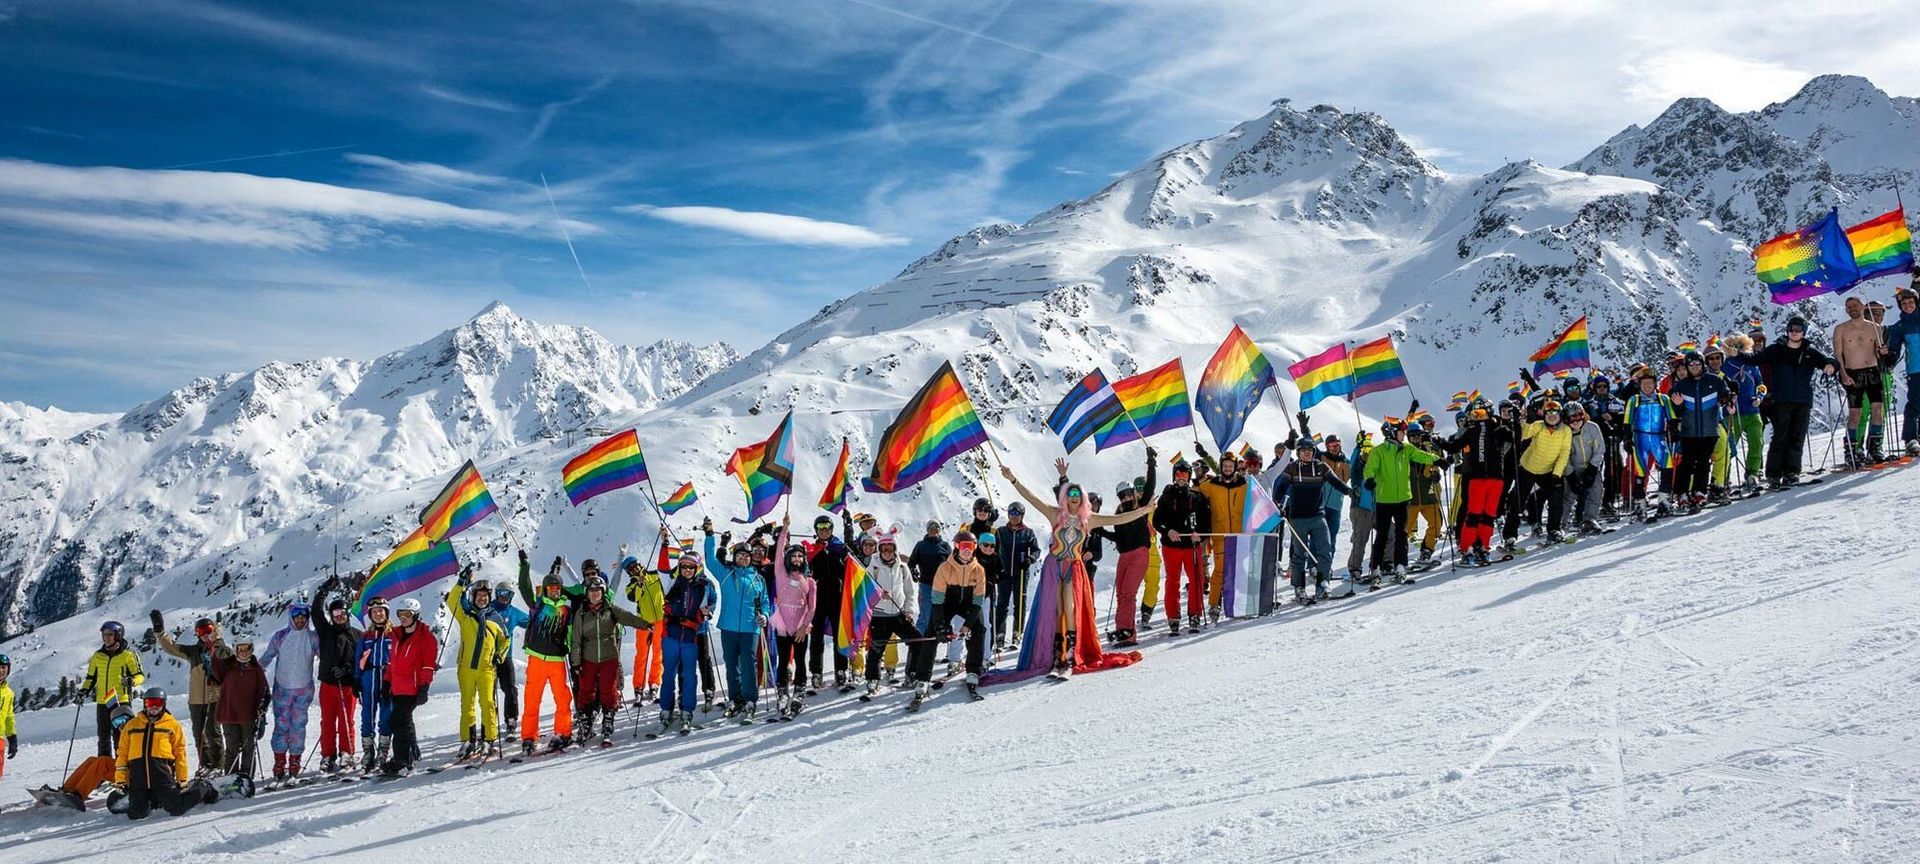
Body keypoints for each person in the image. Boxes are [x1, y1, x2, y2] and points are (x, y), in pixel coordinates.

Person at [1003, 459, 1155, 678]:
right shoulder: (1055, 513)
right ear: (1065, 498)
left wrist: (1145, 511)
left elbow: (1119, 518)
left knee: (1071, 607)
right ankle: (1058, 658)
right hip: (1053, 567)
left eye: (1077, 496)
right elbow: (1031, 498)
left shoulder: (1089, 519)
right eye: (1070, 496)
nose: (1073, 499)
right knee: (1057, 611)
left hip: (1074, 567)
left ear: (1082, 499)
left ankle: (1070, 657)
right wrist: (1013, 479)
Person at [516, 549, 585, 754]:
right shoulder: (537, 604)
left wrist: (573, 656)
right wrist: (524, 567)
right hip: (536, 659)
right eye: (551, 588)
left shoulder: (567, 609)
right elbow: (524, 587)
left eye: (557, 588)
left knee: (562, 698)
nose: (554, 591)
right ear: (545, 590)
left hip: (556, 660)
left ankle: (563, 732)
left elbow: (572, 633)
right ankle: (529, 736)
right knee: (532, 699)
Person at [1756, 316, 1838, 486]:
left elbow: (1827, 361)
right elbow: (1755, 359)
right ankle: (1773, 474)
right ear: (1787, 330)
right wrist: (1736, 355)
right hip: (1782, 400)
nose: (1794, 332)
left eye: (1798, 329)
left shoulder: (1809, 351)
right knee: (1780, 436)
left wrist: (1831, 365)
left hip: (1802, 400)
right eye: (1792, 329)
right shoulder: (1776, 349)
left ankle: (1792, 472)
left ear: (1804, 331)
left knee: (1797, 437)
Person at [567, 568, 646, 744]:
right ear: (587, 593)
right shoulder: (580, 613)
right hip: (588, 659)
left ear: (603, 592)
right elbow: (576, 640)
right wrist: (575, 662)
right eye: (591, 591)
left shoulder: (610, 609)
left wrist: (645, 625)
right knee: (585, 691)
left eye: (598, 591)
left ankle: (608, 719)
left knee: (608, 690)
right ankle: (586, 722)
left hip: (609, 657)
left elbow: (628, 618)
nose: (595, 594)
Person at [112, 688, 215, 820]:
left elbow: (180, 753)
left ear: (164, 704)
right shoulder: (132, 725)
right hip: (138, 778)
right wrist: (120, 779)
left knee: (176, 808)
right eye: (150, 702)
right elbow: (122, 754)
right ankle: (153, 800)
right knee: (136, 814)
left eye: (158, 703)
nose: (154, 707)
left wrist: (182, 779)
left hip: (161, 775)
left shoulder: (172, 725)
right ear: (145, 704)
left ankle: (203, 788)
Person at [1091, 447, 1157, 645]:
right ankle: (1123, 629)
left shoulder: (1140, 507)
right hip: (1125, 555)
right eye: (1123, 496)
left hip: (1139, 554)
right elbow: (1119, 537)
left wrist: (1151, 462)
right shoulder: (1120, 513)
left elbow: (1150, 487)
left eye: (1128, 494)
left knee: (1128, 592)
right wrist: (1101, 531)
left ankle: (1128, 631)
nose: (1127, 498)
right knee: (1121, 593)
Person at [150, 611, 229, 774]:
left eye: (208, 630)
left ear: (214, 630)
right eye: (201, 632)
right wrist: (160, 631)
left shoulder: (223, 650)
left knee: (212, 731)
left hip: (215, 696)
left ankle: (218, 765)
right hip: (196, 698)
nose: (205, 635)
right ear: (197, 635)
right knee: (198, 733)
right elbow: (171, 647)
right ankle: (206, 765)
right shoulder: (194, 652)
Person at [706, 525, 771, 719]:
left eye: (747, 556)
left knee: (749, 662)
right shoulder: (726, 573)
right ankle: (735, 698)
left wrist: (765, 616)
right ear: (734, 557)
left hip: (751, 627)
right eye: (740, 555)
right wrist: (710, 535)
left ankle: (750, 698)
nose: (743, 558)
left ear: (751, 559)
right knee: (731, 663)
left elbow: (766, 601)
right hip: (728, 626)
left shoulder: (758, 579)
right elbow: (710, 560)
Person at [1275, 440, 1353, 602]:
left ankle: (1323, 583)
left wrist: (1349, 492)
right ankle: (1299, 587)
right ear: (1298, 453)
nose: (1307, 453)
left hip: (1318, 516)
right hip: (1298, 518)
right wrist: (1277, 504)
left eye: (1310, 450)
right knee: (1299, 555)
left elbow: (1335, 481)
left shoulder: (1321, 467)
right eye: (1303, 451)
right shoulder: (1292, 468)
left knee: (1325, 550)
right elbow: (1281, 488)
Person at [863, 526, 934, 701]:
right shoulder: (873, 567)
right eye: (883, 549)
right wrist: (879, 594)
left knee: (917, 641)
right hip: (879, 615)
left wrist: (909, 611)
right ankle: (872, 680)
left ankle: (911, 674)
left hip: (899, 614)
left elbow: (910, 591)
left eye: (890, 549)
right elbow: (864, 591)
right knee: (876, 649)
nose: (887, 552)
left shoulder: (902, 568)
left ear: (895, 550)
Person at [1364, 419, 1442, 579]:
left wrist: (1437, 459)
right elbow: (1370, 468)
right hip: (1384, 500)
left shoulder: (1406, 449)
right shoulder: (1379, 451)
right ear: (1393, 433)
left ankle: (1400, 566)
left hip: (1403, 500)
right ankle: (1376, 568)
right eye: (1401, 432)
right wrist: (1370, 479)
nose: (1404, 435)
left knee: (1402, 535)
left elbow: (1422, 455)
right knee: (1382, 536)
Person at [1443, 399, 1515, 566]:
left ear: (1489, 412)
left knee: (1489, 515)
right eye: (1475, 414)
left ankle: (1484, 547)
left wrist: (1510, 424)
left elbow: (1513, 438)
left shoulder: (1498, 428)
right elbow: (1454, 447)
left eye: (1480, 413)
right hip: (1477, 478)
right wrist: (1439, 442)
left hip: (1496, 479)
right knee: (1473, 514)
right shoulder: (1471, 431)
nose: (1477, 416)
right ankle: (1466, 549)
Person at [655, 546, 716, 736]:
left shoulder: (705, 586)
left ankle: (687, 710)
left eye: (691, 567)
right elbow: (662, 567)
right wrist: (664, 545)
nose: (687, 570)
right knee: (668, 675)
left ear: (697, 568)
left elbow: (712, 602)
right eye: (684, 567)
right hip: (671, 635)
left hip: (691, 636)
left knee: (689, 675)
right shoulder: (673, 582)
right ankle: (666, 709)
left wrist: (709, 612)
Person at [450, 569, 510, 757]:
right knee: (467, 705)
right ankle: (468, 741)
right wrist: (461, 583)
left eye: (485, 596)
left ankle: (489, 740)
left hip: (487, 669)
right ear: (473, 596)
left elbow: (505, 639)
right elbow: (452, 601)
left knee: (488, 704)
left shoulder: (495, 617)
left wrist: (499, 655)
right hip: (466, 668)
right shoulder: (465, 614)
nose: (482, 598)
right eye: (479, 595)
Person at [258, 601, 319, 783]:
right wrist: (253, 670)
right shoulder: (281, 636)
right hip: (282, 690)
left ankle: (295, 761)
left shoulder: (313, 637)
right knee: (281, 726)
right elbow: (268, 656)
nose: (300, 621)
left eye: (303, 618)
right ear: (291, 618)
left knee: (298, 727)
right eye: (297, 617)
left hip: (303, 689)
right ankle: (279, 762)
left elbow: (325, 655)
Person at [927, 531, 990, 702]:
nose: (967, 551)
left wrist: (967, 625)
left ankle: (973, 671)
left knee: (979, 629)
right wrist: (941, 624)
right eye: (964, 546)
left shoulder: (979, 570)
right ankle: (922, 677)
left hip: (968, 603)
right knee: (931, 632)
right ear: (956, 547)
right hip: (948, 601)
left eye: (970, 547)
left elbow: (978, 602)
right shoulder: (944, 568)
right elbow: (937, 599)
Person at [379, 597, 438, 776]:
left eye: (407, 614)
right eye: (400, 614)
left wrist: (423, 687)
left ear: (416, 615)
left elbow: (428, 666)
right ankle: (413, 753)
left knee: (397, 721)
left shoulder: (426, 638)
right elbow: (392, 662)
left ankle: (402, 760)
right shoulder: (396, 634)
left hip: (412, 688)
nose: (403, 617)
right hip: (397, 687)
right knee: (405, 721)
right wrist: (387, 682)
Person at [308, 579, 360, 775]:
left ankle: (346, 752)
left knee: (347, 721)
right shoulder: (326, 631)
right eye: (336, 613)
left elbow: (360, 660)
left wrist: (346, 670)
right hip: (328, 684)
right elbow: (315, 612)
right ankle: (328, 755)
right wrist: (323, 591)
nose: (339, 616)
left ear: (347, 614)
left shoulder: (357, 635)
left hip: (347, 686)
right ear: (332, 615)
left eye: (342, 613)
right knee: (327, 720)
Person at [1670, 350, 1732, 511]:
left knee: (1704, 463)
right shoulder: (1682, 385)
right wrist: (1677, 404)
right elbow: (1675, 410)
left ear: (1702, 364)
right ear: (1687, 366)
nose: (1695, 367)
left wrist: (1728, 400)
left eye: (1697, 364)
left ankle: (1700, 492)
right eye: (1691, 364)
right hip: (1689, 432)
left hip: (1709, 430)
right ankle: (1682, 494)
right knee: (1687, 463)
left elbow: (1725, 394)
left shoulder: (1713, 380)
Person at [1504, 401, 1573, 546]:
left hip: (1547, 471)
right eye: (1549, 414)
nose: (1552, 417)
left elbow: (1564, 453)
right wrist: (1525, 420)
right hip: (1527, 468)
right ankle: (1510, 535)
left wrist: (1557, 473)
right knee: (1518, 501)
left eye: (1555, 414)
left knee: (1556, 494)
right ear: (1545, 415)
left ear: (1560, 415)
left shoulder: (1566, 431)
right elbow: (1524, 434)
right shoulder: (1539, 426)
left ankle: (1554, 529)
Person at [768, 521, 817, 718]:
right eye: (793, 555)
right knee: (782, 660)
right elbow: (779, 550)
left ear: (804, 559)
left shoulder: (810, 581)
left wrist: (804, 626)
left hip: (799, 627)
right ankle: (782, 692)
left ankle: (799, 691)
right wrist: (786, 528)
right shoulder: (780, 573)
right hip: (782, 625)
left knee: (800, 660)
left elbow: (812, 606)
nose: (796, 558)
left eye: (800, 556)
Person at [1832, 297, 1888, 464]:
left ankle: (1875, 448)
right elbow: (1838, 354)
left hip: (1873, 372)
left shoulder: (1876, 328)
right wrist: (1843, 373)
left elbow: (1879, 352)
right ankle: (1851, 450)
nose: (1852, 309)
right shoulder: (1841, 329)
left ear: (1862, 307)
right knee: (1855, 413)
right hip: (1853, 373)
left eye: (1855, 306)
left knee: (1877, 410)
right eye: (1849, 307)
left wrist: (1883, 352)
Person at [1196, 449, 1250, 623]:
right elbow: (1195, 495)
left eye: (1230, 466)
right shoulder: (1212, 485)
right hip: (1219, 534)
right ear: (1221, 467)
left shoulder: (1243, 485)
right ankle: (1213, 604)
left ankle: (1237, 602)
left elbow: (1257, 498)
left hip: (1238, 535)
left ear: (1234, 467)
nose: (1227, 468)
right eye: (1225, 466)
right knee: (1219, 570)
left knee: (1238, 569)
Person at [803, 516, 853, 693]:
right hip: (817, 600)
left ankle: (841, 670)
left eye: (827, 527)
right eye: (820, 528)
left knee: (841, 636)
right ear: (816, 530)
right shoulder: (811, 551)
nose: (824, 530)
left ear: (831, 529)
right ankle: (816, 672)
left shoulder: (839, 549)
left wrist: (849, 528)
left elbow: (853, 566)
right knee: (816, 637)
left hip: (837, 598)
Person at [211, 636, 269, 783]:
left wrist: (262, 710)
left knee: (248, 747)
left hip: (248, 715)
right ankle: (231, 778)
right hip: (229, 713)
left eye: (247, 648)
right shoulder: (228, 665)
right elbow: (216, 668)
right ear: (236, 650)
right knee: (232, 749)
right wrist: (217, 647)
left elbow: (264, 691)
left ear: (251, 649)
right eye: (240, 649)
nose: (243, 652)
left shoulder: (256, 669)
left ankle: (246, 777)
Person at [84, 620, 144, 757]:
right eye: (104, 635)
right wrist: (84, 691)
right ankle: (104, 769)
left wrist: (132, 681)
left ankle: (122, 770)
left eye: (110, 634)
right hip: (102, 701)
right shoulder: (98, 656)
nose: (106, 638)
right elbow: (90, 678)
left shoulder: (128, 655)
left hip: (120, 701)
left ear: (119, 635)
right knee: (103, 737)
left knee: (120, 737)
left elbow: (140, 675)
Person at [1719, 335, 1767, 493]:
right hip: (1731, 413)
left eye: (1741, 346)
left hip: (1752, 411)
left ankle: (1752, 472)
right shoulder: (1724, 366)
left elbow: (1761, 384)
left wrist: (1759, 397)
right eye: (1734, 346)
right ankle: (1723, 477)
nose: (1737, 349)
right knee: (1729, 447)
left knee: (1757, 442)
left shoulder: (1752, 365)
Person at [355, 597, 397, 774]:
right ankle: (368, 753)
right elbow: (358, 659)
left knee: (386, 717)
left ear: (386, 613)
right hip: (369, 678)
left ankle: (383, 753)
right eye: (374, 611)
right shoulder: (366, 637)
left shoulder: (394, 634)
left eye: (381, 611)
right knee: (367, 717)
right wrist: (356, 680)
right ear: (370, 615)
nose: (378, 614)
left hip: (388, 678)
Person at [994, 504, 1041, 650]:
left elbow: (1036, 550)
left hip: (1021, 573)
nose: (1013, 516)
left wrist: (1030, 559)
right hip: (1004, 573)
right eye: (1011, 513)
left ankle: (1017, 633)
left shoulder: (1028, 533)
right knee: (1002, 604)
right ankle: (999, 635)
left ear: (1022, 515)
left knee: (1019, 603)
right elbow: (993, 550)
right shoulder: (1001, 532)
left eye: (1017, 513)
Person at [1880, 287, 1920, 455]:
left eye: (1911, 302)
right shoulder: (1899, 327)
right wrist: (1887, 355)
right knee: (1915, 404)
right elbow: (1894, 351)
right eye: (1903, 303)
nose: (1907, 305)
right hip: (1915, 370)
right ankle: (1910, 439)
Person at [626, 552, 667, 705]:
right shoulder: (631, 586)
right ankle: (638, 686)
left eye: (635, 566)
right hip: (643, 623)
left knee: (658, 653)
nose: (634, 569)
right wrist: (640, 584)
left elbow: (668, 580)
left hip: (660, 621)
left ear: (639, 564)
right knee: (642, 656)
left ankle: (654, 683)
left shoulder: (655, 575)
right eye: (630, 569)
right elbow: (634, 597)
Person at [489, 584, 530, 737]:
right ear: (496, 593)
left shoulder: (513, 612)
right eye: (501, 593)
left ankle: (511, 719)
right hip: (488, 658)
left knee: (510, 689)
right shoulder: (489, 609)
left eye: (508, 594)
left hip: (506, 657)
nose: (504, 596)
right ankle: (490, 722)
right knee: (488, 692)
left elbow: (531, 621)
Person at [1406, 424, 1448, 566]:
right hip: (1410, 499)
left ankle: (1427, 550)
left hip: (1428, 496)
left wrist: (1436, 476)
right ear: (1408, 438)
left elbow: (1434, 469)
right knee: (1404, 529)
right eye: (1413, 436)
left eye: (1418, 436)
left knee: (1436, 524)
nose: (1416, 439)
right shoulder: (1404, 453)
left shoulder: (1428, 452)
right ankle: (1395, 557)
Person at [1562, 402, 1607, 533]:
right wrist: (1570, 474)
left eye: (1578, 416)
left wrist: (1592, 469)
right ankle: (1560, 524)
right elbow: (1562, 456)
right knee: (1569, 494)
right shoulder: (1563, 432)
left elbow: (1600, 449)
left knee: (1596, 490)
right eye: (1571, 418)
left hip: (1590, 465)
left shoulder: (1592, 428)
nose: (1575, 421)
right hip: (1573, 468)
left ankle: (1589, 519)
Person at [1344, 434, 1377, 583]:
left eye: (1370, 452)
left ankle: (1384, 563)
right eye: (1365, 452)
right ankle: (1354, 568)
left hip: (1376, 508)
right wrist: (1358, 446)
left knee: (1390, 533)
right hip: (1360, 509)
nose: (1367, 455)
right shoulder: (1358, 469)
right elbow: (1353, 463)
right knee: (1361, 539)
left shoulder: (1376, 469)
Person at [0, 654, 14, 780]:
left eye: (3, 667)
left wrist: (12, 737)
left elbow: (9, 716)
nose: (1, 670)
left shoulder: (9, 693)